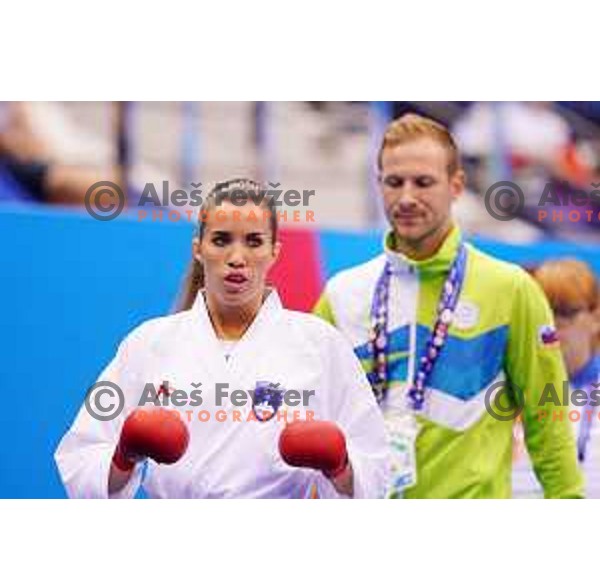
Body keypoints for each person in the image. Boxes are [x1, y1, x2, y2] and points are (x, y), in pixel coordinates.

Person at [55, 178, 390, 499]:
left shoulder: (321, 345)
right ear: (198, 249)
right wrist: (122, 458)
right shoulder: (148, 344)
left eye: (254, 241)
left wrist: (341, 465)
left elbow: (375, 468)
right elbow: (80, 455)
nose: (237, 257)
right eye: (221, 240)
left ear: (274, 251)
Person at [314, 113, 584, 498]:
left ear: (456, 185)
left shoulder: (510, 289)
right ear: (379, 185)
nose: (407, 197)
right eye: (394, 182)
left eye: (423, 182)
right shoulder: (341, 295)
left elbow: (547, 415)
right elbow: (311, 417)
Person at [513, 259, 600, 497]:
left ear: (595, 318)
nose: (551, 324)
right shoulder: (507, 386)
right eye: (542, 311)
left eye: (565, 312)